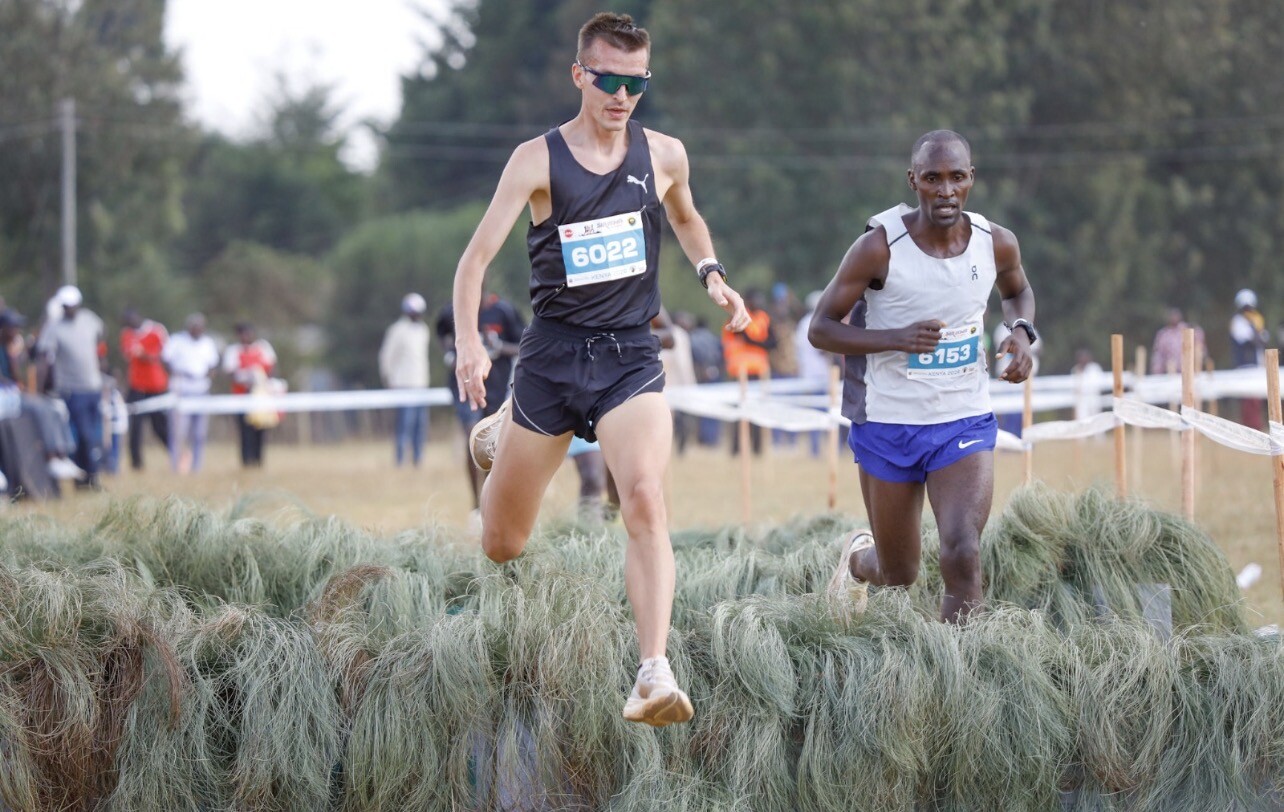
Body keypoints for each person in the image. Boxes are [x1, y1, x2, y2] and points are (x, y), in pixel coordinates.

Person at [451, 12, 750, 727]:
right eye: (609, 81)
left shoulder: (665, 154)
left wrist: (711, 273)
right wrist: (468, 344)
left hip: (629, 356)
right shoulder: (536, 161)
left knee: (643, 496)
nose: (622, 96)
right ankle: (500, 434)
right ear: (579, 75)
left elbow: (686, 217)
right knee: (502, 545)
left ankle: (653, 672)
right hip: (552, 360)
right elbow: (473, 262)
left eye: (636, 84)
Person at [809, 129, 1037, 624]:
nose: (946, 191)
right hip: (889, 422)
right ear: (913, 181)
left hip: (963, 417)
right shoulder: (878, 247)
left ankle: (960, 666)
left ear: (971, 178)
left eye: (957, 178)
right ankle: (857, 561)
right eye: (933, 179)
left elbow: (1017, 291)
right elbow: (820, 329)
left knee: (962, 551)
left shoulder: (995, 242)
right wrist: (897, 338)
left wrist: (1021, 332)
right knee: (899, 572)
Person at [436, 291, 525, 510]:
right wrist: (450, 353)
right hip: (464, 386)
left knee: (488, 444)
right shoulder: (452, 310)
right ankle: (475, 505)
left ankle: (487, 502)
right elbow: (441, 334)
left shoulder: (504, 310)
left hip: (496, 387)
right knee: (472, 436)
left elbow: (522, 345)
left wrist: (499, 347)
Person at [34, 285, 107, 489]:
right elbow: (44, 358)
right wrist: (40, 388)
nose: (69, 309)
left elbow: (101, 338)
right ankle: (87, 477)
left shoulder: (90, 319)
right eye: (66, 306)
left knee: (94, 436)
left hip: (93, 386)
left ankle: (88, 477)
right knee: (82, 435)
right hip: (72, 390)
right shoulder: (54, 327)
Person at [162, 313, 221, 473]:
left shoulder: (208, 343)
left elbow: (213, 365)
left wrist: (208, 374)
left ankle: (197, 467)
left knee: (200, 433)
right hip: (181, 392)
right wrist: (177, 373)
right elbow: (165, 360)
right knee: (178, 432)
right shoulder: (177, 341)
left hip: (201, 391)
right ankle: (176, 466)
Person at [379, 293, 432, 467]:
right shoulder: (397, 330)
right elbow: (387, 356)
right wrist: (389, 378)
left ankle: (418, 459)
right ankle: (400, 460)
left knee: (420, 425)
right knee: (405, 425)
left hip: (421, 384)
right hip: (403, 384)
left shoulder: (423, 330)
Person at [722, 288, 776, 455]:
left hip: (759, 371)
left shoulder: (764, 318)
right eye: (756, 299)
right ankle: (736, 449)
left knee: (758, 411)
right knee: (740, 412)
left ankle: (757, 449)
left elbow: (773, 342)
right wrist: (761, 344)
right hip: (740, 371)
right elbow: (746, 338)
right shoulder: (738, 315)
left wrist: (758, 343)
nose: (759, 303)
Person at [119, 307, 171, 471]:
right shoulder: (126, 334)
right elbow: (129, 354)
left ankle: (176, 455)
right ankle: (137, 464)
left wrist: (145, 354)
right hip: (136, 386)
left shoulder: (156, 330)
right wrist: (143, 354)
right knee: (135, 427)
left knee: (160, 426)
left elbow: (163, 354)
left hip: (156, 386)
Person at [222, 323, 277, 467]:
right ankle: (246, 461)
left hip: (260, 395)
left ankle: (259, 461)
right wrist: (246, 378)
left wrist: (264, 381)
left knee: (260, 428)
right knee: (245, 430)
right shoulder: (234, 351)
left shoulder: (263, 348)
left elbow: (271, 368)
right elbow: (230, 372)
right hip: (242, 395)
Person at [796, 290, 836, 456]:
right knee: (822, 411)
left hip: (811, 373)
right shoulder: (815, 322)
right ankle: (821, 449)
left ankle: (817, 449)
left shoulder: (803, 323)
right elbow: (821, 348)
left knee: (818, 411)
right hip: (817, 374)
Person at [1150, 306, 1206, 376]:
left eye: (1176, 315)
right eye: (1172, 316)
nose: (1174, 318)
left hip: (1189, 371)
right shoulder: (1163, 335)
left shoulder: (1187, 329)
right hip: (1170, 372)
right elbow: (1159, 355)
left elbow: (1200, 344)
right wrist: (1157, 371)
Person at [1071, 347, 1106, 420]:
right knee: (1082, 419)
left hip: (1094, 397)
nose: (1082, 359)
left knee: (1096, 418)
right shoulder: (1075, 369)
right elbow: (1074, 387)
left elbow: (1100, 384)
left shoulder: (1095, 368)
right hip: (1081, 400)